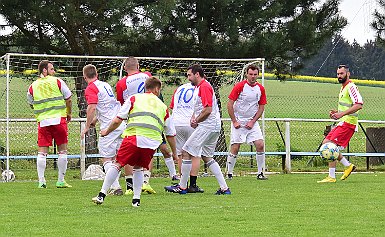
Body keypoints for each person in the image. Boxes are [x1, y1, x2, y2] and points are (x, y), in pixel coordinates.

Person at [92, 76, 176, 207]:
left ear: (146, 88)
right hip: (152, 142)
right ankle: (136, 200)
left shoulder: (134, 98)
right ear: (157, 89)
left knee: (117, 163)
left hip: (134, 137)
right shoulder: (163, 107)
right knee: (138, 168)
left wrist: (106, 132)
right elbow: (170, 133)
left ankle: (102, 194)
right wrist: (174, 153)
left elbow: (117, 119)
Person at [116, 56, 178, 195]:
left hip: (134, 119)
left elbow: (121, 102)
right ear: (138, 66)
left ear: (125, 68)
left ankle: (130, 187)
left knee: (128, 155)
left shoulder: (122, 83)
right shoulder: (147, 75)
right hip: (152, 118)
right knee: (149, 150)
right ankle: (145, 182)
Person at [165, 64, 230, 195]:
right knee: (207, 157)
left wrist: (197, 120)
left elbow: (207, 109)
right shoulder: (200, 87)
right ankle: (224, 188)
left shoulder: (204, 87)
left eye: (189, 75)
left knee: (185, 151)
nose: (188, 78)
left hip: (207, 126)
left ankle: (182, 187)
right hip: (214, 126)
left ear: (197, 74)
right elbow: (202, 108)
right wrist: (195, 116)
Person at [27, 60, 72, 188]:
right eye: (52, 69)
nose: (54, 71)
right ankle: (60, 180)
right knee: (62, 151)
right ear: (44, 70)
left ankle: (41, 182)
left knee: (42, 152)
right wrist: (69, 113)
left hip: (43, 121)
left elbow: (31, 103)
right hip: (59, 120)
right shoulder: (57, 81)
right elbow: (68, 99)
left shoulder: (32, 86)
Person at [81, 64, 125, 195]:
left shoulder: (91, 88)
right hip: (120, 123)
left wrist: (87, 126)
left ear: (84, 77)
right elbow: (107, 106)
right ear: (97, 74)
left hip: (109, 127)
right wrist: (96, 120)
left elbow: (92, 107)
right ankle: (126, 184)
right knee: (116, 159)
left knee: (106, 159)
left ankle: (116, 187)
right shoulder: (105, 85)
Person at [318, 65, 363, 183]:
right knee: (326, 144)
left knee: (329, 145)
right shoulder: (343, 88)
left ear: (348, 74)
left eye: (341, 74)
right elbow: (347, 107)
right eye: (338, 74)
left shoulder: (351, 87)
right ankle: (347, 166)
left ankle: (332, 176)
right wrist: (336, 113)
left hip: (349, 123)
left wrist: (341, 114)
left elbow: (359, 104)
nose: (339, 76)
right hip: (343, 121)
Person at [225, 64, 268, 180]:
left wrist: (253, 121)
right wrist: (234, 121)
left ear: (258, 75)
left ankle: (260, 173)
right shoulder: (240, 86)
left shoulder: (261, 89)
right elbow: (229, 104)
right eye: (251, 74)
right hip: (239, 121)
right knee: (235, 146)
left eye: (255, 74)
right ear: (246, 74)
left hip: (252, 122)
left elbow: (261, 107)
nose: (253, 77)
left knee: (260, 144)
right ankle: (229, 173)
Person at [165, 81, 204, 193]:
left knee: (181, 154)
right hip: (192, 122)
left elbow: (172, 106)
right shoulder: (200, 88)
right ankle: (193, 184)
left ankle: (183, 184)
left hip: (176, 123)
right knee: (195, 154)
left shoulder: (180, 88)